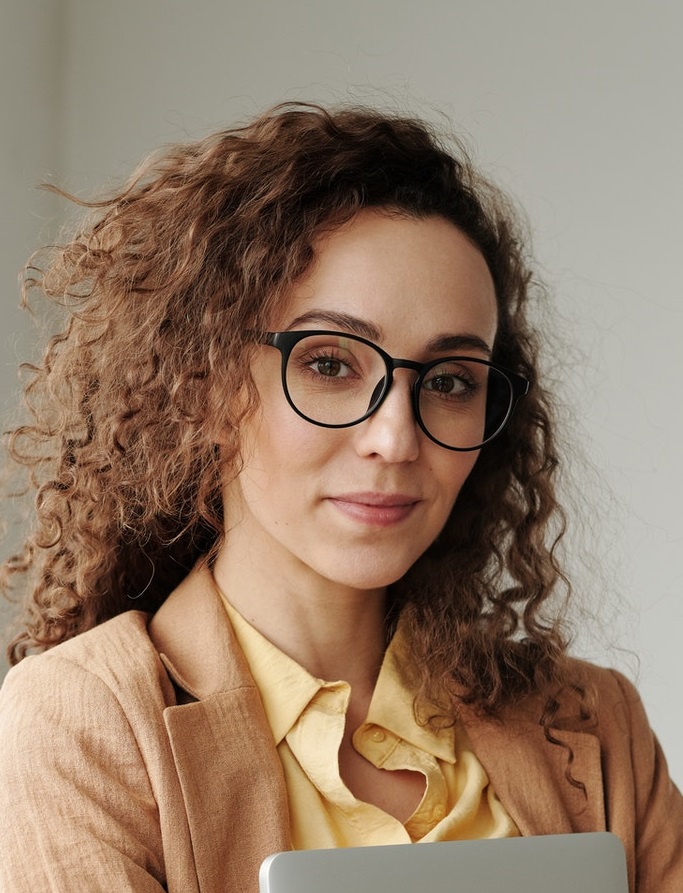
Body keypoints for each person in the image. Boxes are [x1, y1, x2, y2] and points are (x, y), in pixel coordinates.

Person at [0, 102, 680, 893]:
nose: (395, 437)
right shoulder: (81, 722)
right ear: (207, 382)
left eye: (449, 380)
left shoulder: (594, 720)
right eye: (329, 363)